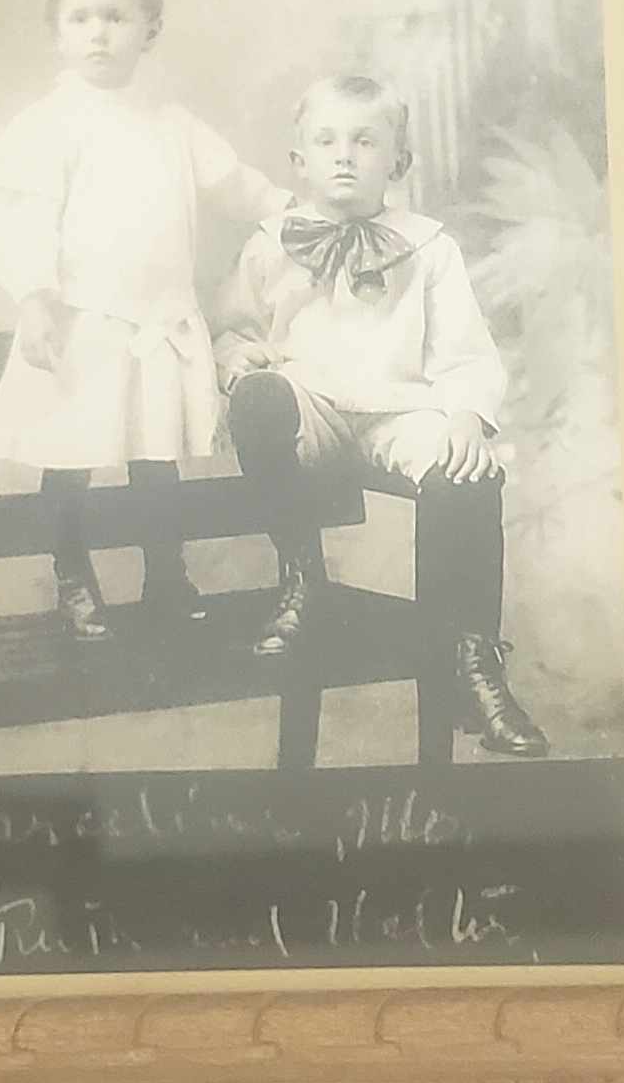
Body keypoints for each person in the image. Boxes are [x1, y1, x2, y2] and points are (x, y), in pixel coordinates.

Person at [214, 75, 547, 757]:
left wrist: (465, 417)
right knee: (259, 397)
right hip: (310, 408)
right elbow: (234, 330)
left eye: (365, 141)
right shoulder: (271, 244)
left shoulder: (429, 248)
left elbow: (465, 353)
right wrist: (239, 356)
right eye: (326, 141)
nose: (344, 155)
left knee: (467, 470)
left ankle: (473, 662)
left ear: (398, 163)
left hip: (398, 412)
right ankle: (303, 579)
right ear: (299, 161)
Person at [0, 0, 288, 638]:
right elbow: (18, 218)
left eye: (115, 17)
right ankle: (72, 578)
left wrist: (292, 212)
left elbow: (236, 185)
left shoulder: (171, 123)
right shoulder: (48, 124)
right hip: (83, 321)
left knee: (156, 461)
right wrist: (33, 299)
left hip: (159, 322)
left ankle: (166, 577)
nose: (97, 33)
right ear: (57, 33)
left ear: (150, 30)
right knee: (70, 459)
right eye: (79, 18)